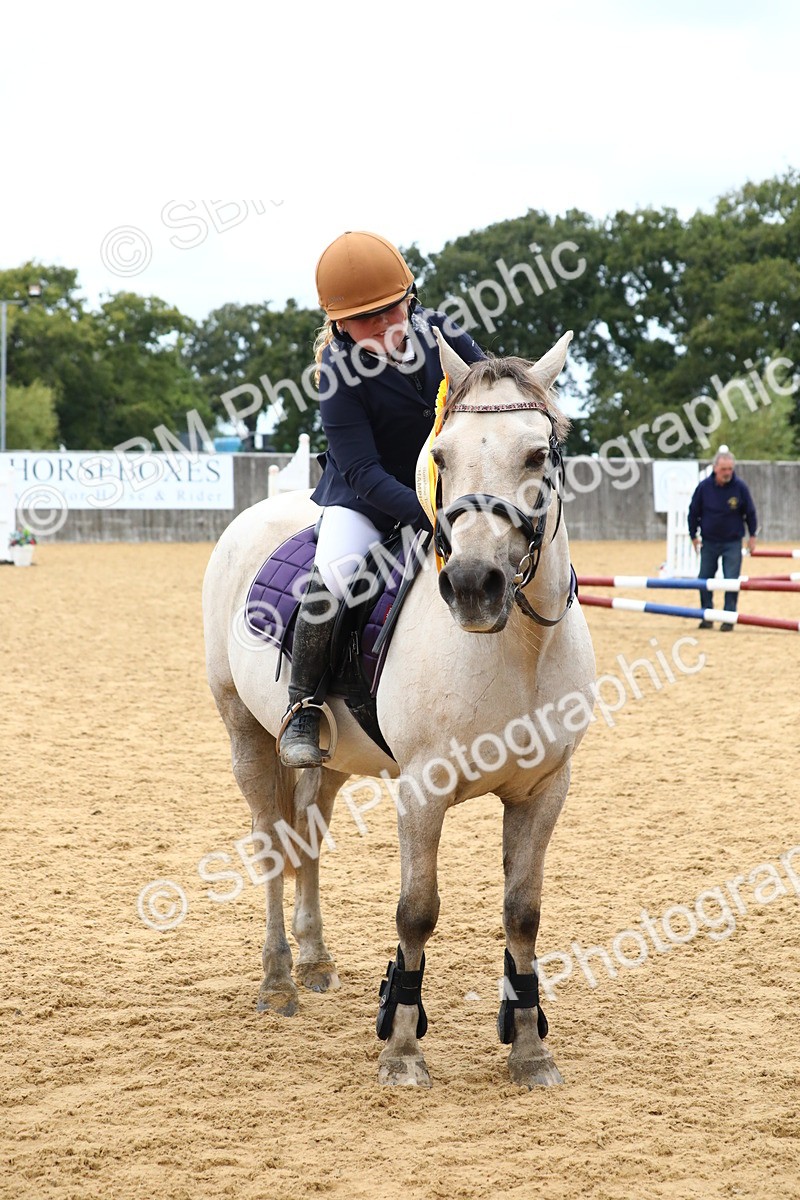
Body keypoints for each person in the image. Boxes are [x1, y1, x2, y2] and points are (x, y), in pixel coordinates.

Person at [278, 230, 486, 767]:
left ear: (409, 299)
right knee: (337, 573)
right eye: (364, 319)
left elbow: (485, 393)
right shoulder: (336, 373)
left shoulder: (442, 333)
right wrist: (427, 514)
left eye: (391, 310)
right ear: (339, 325)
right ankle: (303, 707)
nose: (383, 326)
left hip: (448, 487)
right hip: (366, 499)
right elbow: (363, 470)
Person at [687, 448, 758, 631]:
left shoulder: (740, 487)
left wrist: (752, 536)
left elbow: (750, 512)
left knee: (731, 581)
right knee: (704, 579)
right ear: (715, 468)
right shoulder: (704, 488)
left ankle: (728, 617)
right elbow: (693, 512)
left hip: (732, 542)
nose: (727, 473)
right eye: (724, 469)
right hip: (709, 542)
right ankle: (706, 615)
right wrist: (693, 535)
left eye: (730, 469)